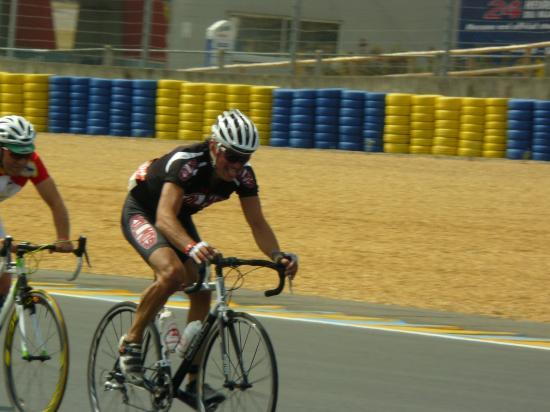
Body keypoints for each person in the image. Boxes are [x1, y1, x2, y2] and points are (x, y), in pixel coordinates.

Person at [119, 109, 299, 401]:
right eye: (232, 156)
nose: (237, 166)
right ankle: (131, 341)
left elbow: (257, 222)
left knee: (201, 290)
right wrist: (191, 247)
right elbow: (164, 217)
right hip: (144, 211)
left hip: (178, 217)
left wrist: (278, 255)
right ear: (215, 147)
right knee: (172, 272)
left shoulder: (243, 177)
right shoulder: (188, 163)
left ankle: (193, 381)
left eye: (245, 158)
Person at [0, 115, 73, 309]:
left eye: (26, 154)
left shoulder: (32, 164)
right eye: (15, 155)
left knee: (3, 279)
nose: (21, 161)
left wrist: (63, 238)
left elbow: (56, 202)